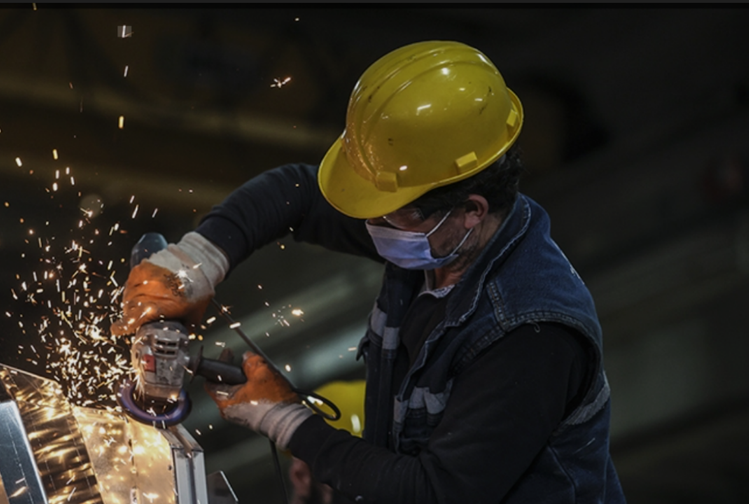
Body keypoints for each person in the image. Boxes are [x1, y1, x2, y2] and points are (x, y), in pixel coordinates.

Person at [112, 41, 626, 503]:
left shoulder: (530, 332)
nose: (369, 224)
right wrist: (195, 262)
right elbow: (294, 193)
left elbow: (435, 491)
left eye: (388, 213)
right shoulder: (435, 232)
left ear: (469, 210)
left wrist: (286, 419)